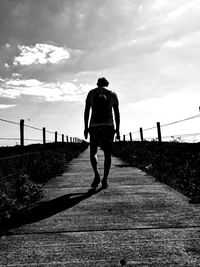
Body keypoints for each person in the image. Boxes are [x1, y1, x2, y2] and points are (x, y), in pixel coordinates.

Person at [84, 77, 120, 189]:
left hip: (94, 126)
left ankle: (96, 175)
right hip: (108, 126)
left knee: (93, 152)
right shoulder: (113, 94)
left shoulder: (91, 93)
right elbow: (117, 113)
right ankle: (105, 180)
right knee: (107, 154)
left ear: (98, 84)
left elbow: (86, 112)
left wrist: (86, 127)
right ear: (107, 84)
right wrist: (118, 129)